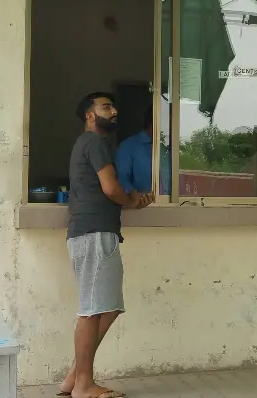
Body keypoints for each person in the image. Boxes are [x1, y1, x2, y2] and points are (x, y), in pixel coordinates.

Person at [59, 92, 154, 398]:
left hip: (92, 233)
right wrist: (133, 201)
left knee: (107, 307)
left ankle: (74, 377)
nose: (113, 111)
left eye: (114, 106)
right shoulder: (96, 143)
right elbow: (112, 188)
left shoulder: (87, 145)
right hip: (95, 233)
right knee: (93, 309)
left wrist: (129, 200)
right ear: (90, 115)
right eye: (105, 107)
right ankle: (83, 385)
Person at [115, 106, 172, 196]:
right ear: (155, 119)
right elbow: (121, 179)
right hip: (141, 207)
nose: (172, 126)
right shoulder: (129, 146)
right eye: (169, 121)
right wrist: (136, 196)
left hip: (169, 205)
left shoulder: (166, 148)